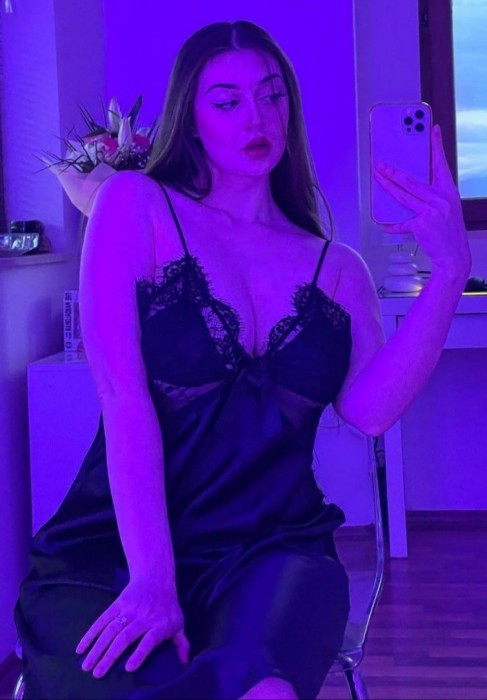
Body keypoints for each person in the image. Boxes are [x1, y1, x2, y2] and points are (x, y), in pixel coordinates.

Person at [13, 17, 471, 700]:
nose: (256, 117)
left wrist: (450, 273)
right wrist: (153, 581)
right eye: (227, 101)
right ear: (191, 121)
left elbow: (370, 412)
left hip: (273, 550)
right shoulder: (134, 206)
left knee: (265, 690)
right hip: (115, 548)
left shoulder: (337, 268)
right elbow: (121, 396)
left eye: (271, 95)